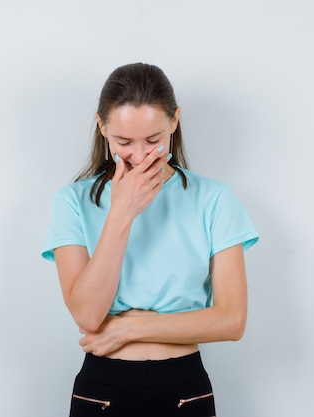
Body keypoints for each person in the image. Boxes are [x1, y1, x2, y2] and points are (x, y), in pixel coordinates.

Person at [41, 63, 259, 417]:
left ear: (175, 122)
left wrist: (130, 327)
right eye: (124, 142)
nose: (140, 156)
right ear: (102, 127)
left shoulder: (214, 198)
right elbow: (87, 314)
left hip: (184, 389)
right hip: (102, 390)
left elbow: (232, 321)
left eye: (154, 141)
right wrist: (121, 213)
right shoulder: (72, 202)